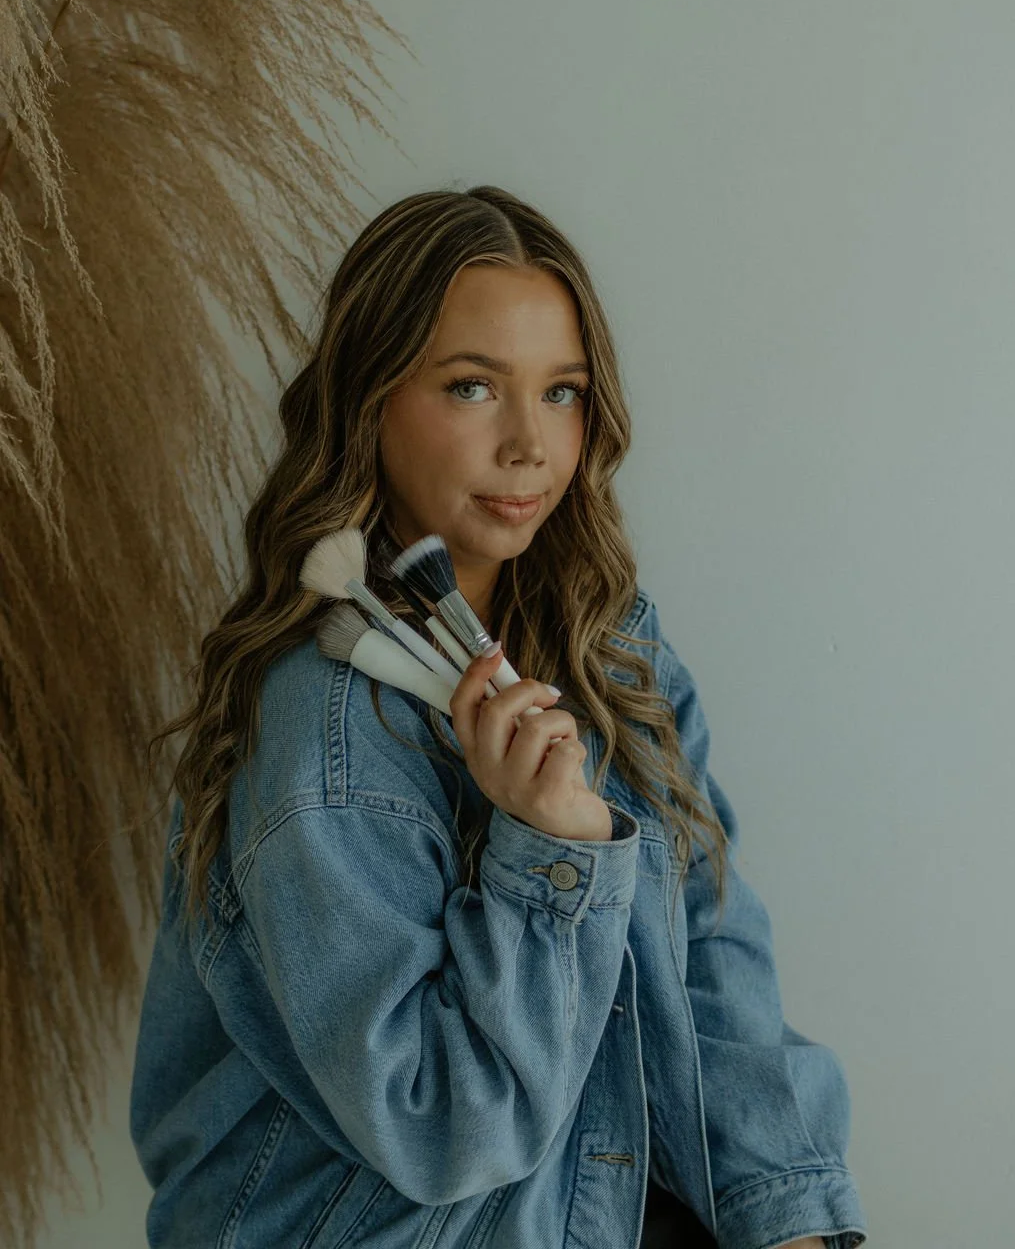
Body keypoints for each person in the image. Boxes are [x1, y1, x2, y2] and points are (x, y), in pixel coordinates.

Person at [130, 185, 868, 1248]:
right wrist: (546, 851)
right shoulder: (324, 732)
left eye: (561, 392)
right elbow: (442, 1129)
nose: (529, 442)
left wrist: (787, 1215)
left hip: (586, 1202)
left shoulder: (613, 652)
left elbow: (710, 960)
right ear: (368, 400)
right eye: (472, 387)